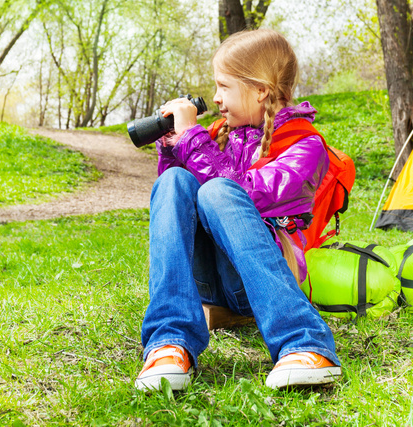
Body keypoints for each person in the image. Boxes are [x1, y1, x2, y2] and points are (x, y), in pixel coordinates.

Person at [135, 28, 341, 393]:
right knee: (173, 184)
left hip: (256, 281)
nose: (215, 98)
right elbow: (181, 205)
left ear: (260, 89)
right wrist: (173, 149)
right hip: (208, 285)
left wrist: (193, 141)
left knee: (217, 190)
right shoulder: (219, 138)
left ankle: (304, 342)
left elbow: (245, 193)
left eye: (223, 87)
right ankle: (169, 342)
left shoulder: (305, 147)